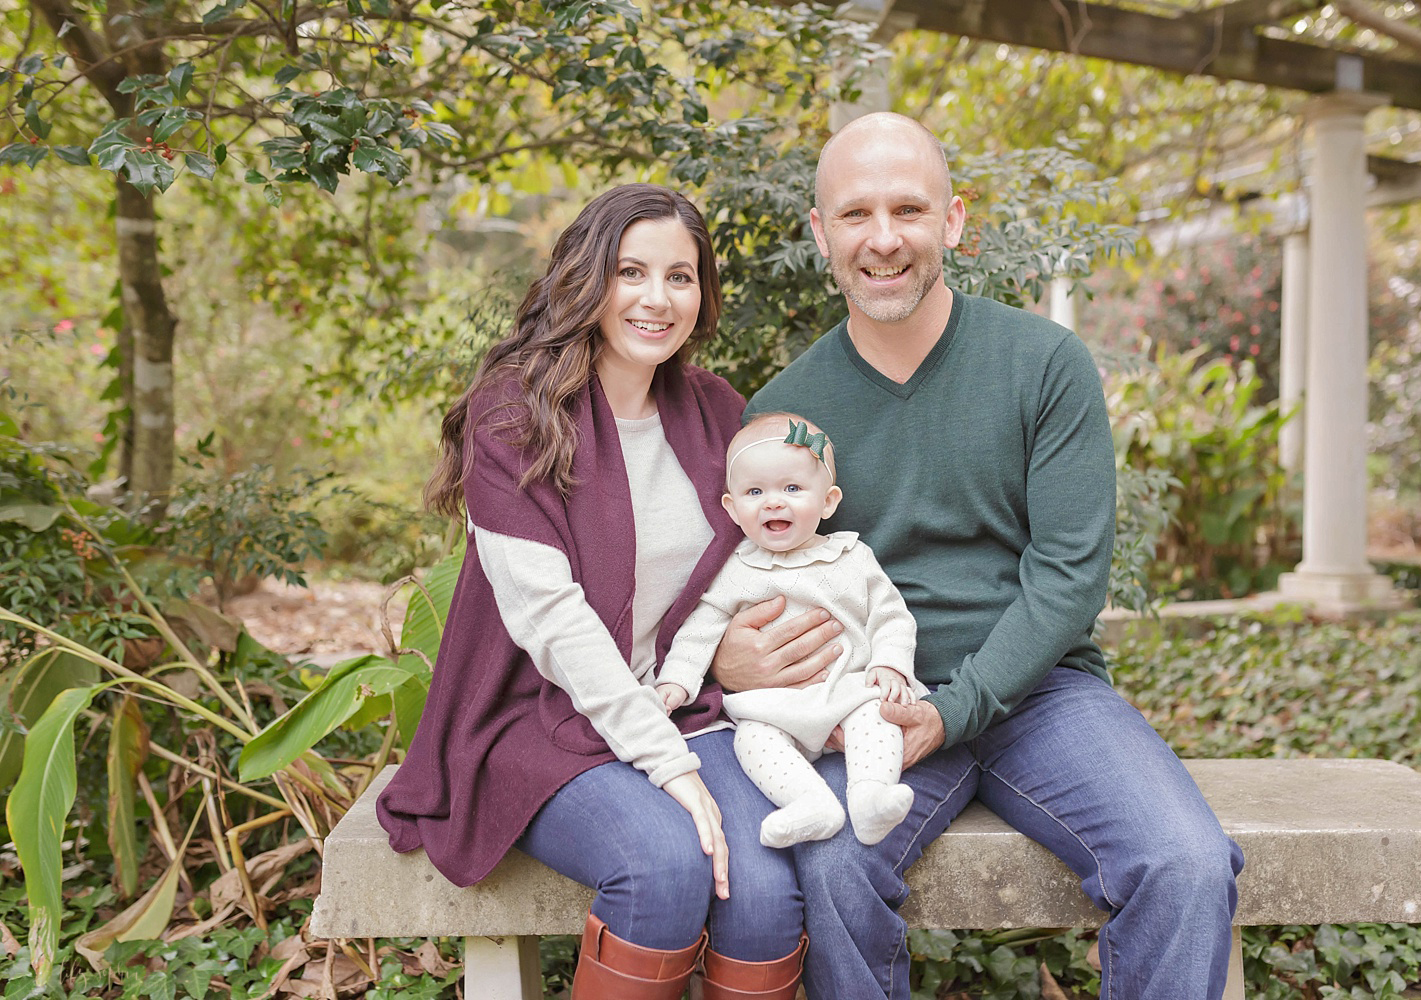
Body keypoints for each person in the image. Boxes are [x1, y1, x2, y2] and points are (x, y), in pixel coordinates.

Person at [714, 113, 1245, 1000]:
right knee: (836, 869)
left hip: (1045, 693)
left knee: (1185, 864)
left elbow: (1070, 578)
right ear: (820, 233)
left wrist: (956, 709)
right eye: (855, 215)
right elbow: (763, 582)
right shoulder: (787, 410)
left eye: (909, 210)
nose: (884, 240)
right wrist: (746, 662)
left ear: (953, 221)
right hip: (875, 701)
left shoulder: (1042, 363)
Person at [376, 184, 806, 1000]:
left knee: (763, 883)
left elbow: (763, 562)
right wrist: (669, 766)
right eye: (631, 271)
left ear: (703, 295)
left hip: (683, 705)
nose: (657, 298)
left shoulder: (718, 413)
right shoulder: (516, 415)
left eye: (681, 277)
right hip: (536, 717)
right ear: (589, 278)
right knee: (661, 864)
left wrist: (733, 664)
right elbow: (553, 620)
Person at [654, 413, 924, 849]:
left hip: (847, 691)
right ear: (731, 507)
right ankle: (810, 803)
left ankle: (870, 797)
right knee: (752, 740)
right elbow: (699, 631)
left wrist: (890, 664)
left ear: (829, 501)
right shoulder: (735, 569)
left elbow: (891, 616)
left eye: (793, 489)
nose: (773, 503)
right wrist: (676, 681)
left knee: (878, 717)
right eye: (755, 492)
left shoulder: (852, 558)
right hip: (775, 707)